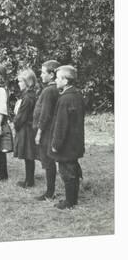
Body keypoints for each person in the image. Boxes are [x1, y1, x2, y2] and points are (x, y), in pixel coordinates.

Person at [48, 65, 85, 209]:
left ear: (65, 80)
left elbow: (61, 124)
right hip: (75, 142)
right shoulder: (77, 95)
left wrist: (56, 144)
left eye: (57, 78)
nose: (56, 81)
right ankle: (73, 199)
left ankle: (70, 202)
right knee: (73, 168)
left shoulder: (64, 99)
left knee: (66, 171)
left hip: (66, 144)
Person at [33, 60, 60, 201]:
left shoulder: (49, 90)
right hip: (51, 130)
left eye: (43, 72)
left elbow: (45, 114)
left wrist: (39, 132)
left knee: (48, 162)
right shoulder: (54, 88)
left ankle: (50, 193)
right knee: (50, 161)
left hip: (47, 132)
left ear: (52, 74)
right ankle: (50, 190)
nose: (41, 75)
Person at [12, 69, 38, 188]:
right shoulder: (32, 95)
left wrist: (15, 124)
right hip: (30, 127)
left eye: (20, 81)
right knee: (29, 155)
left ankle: (29, 181)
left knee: (28, 155)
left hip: (26, 128)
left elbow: (21, 115)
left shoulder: (27, 97)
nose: (18, 83)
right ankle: (29, 179)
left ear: (28, 82)